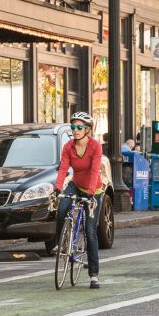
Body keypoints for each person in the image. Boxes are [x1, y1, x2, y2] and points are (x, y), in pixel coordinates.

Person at [53, 111, 103, 289]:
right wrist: (58, 187)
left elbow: (95, 170)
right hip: (75, 184)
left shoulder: (95, 147)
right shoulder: (68, 147)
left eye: (79, 127)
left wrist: (90, 193)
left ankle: (94, 275)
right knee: (61, 209)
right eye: (73, 127)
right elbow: (63, 169)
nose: (75, 130)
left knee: (90, 232)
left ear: (88, 129)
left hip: (93, 190)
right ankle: (61, 244)